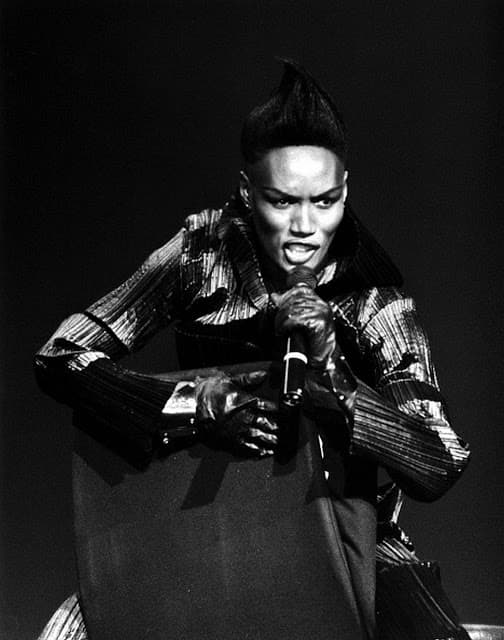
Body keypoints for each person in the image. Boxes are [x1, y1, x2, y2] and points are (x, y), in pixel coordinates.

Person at [34, 60, 470, 640]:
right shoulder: (201, 257)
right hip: (203, 529)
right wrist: (191, 405)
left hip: (355, 543)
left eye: (324, 202)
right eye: (282, 202)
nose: (305, 227)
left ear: (345, 193)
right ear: (247, 193)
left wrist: (341, 385)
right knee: (65, 632)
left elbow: (441, 460)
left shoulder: (375, 302)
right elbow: (60, 355)